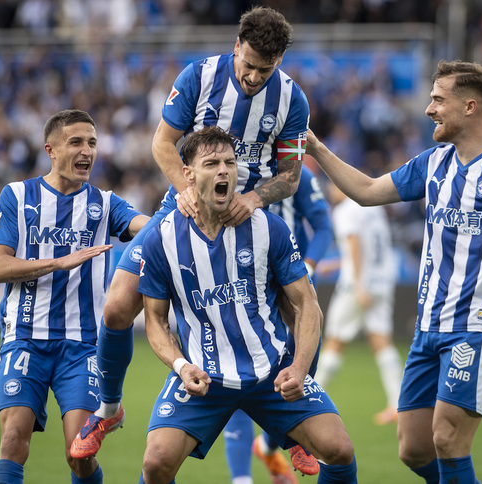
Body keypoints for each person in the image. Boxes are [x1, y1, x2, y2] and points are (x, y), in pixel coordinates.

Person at [70, 5, 317, 481]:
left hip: (252, 217)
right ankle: (109, 409)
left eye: (264, 70)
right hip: (182, 207)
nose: (251, 76)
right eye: (246, 64)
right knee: (118, 306)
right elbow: (163, 143)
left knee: (296, 307)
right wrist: (185, 191)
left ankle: (290, 430)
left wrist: (255, 197)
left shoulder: (292, 100)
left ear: (280, 61)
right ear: (235, 47)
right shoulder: (199, 76)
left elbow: (290, 176)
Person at [306, 60, 482, 483]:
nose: (429, 109)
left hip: (477, 325)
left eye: (437, 99)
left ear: (469, 106)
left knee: (448, 439)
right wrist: (317, 149)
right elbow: (366, 191)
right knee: (413, 449)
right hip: (428, 326)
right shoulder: (434, 162)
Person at [137, 126, 356, 484]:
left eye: (230, 162)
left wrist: (299, 368)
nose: (224, 170)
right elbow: (155, 322)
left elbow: (307, 307)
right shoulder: (160, 239)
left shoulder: (270, 228)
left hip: (270, 370)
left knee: (339, 449)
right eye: (211, 163)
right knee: (156, 463)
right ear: (187, 174)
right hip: (205, 376)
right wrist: (180, 365)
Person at [0, 109, 149, 484]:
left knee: (79, 454)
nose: (87, 151)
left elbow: (147, 226)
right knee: (13, 441)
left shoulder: (104, 204)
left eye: (92, 143)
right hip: (24, 338)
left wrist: (183, 217)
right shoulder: (17, 196)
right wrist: (57, 263)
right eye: (76, 142)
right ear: (51, 150)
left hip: (81, 347)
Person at [224, 164, 334, 484]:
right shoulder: (230, 170)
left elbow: (322, 226)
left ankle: (275, 442)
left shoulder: (292, 173)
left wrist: (308, 267)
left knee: (306, 347)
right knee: (239, 367)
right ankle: (242, 478)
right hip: (243, 278)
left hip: (286, 277)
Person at [315, 183, 403, 426]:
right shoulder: (372, 208)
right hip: (382, 281)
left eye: (333, 184)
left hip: (356, 285)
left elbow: (355, 244)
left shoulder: (345, 210)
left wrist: (358, 283)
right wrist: (335, 264)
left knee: (334, 340)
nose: (330, 190)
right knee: (381, 340)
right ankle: (398, 403)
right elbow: (369, 245)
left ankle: (310, 400)